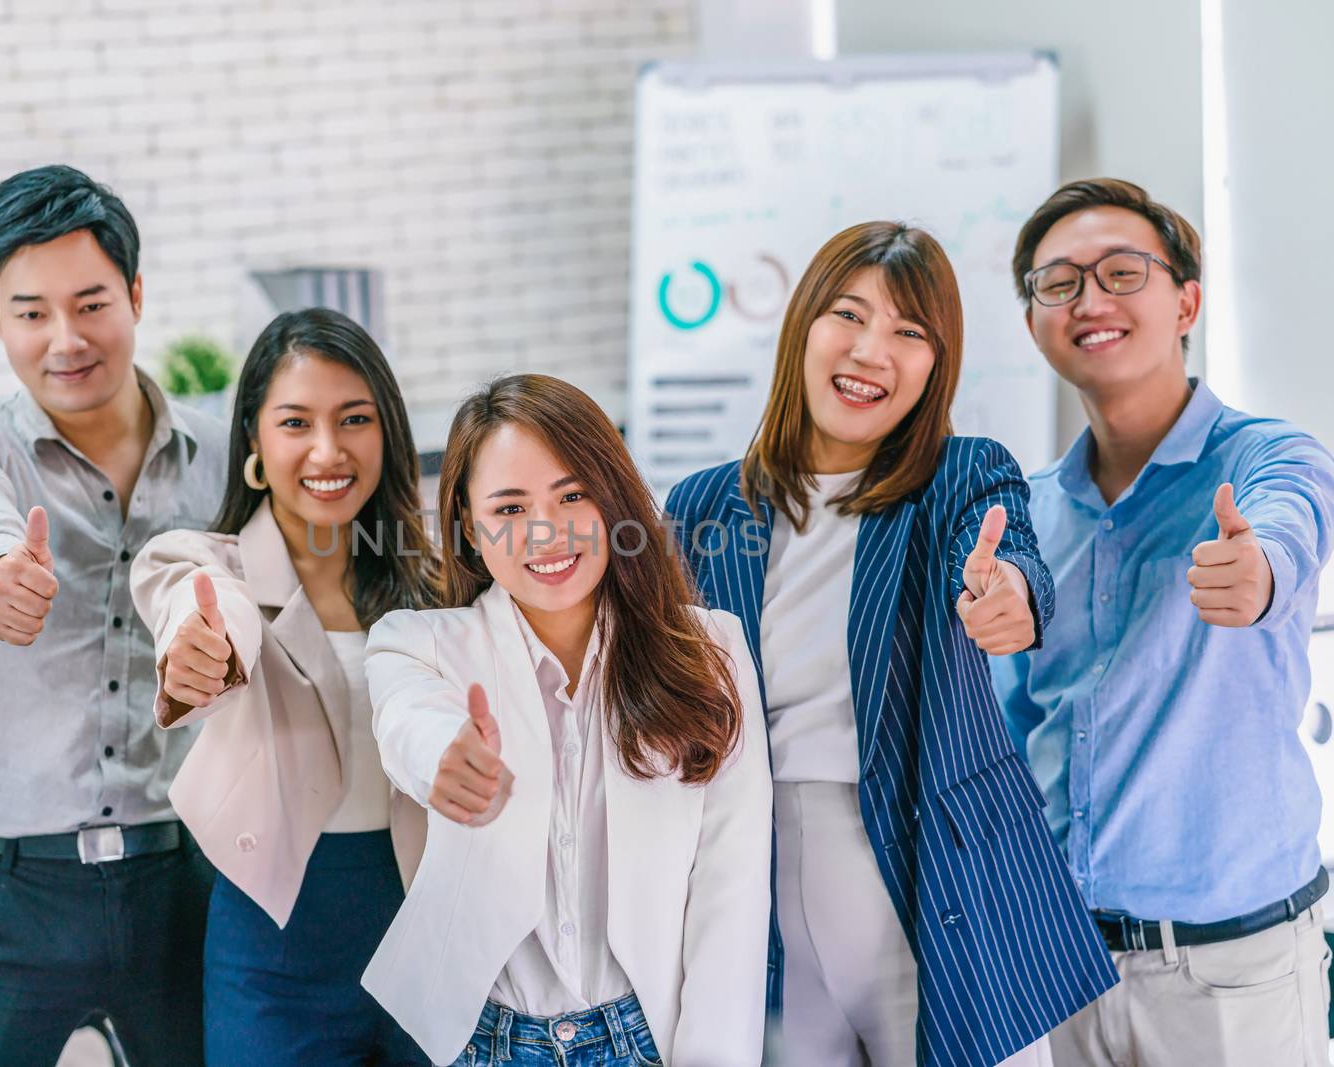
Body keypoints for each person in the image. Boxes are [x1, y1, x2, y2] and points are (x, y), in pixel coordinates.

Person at [667, 221, 1117, 1067]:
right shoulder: (700, 507)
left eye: (910, 332)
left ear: (935, 366)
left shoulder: (958, 478)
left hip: (937, 884)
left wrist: (1007, 596)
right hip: (759, 887)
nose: (874, 350)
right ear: (803, 324)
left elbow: (1008, 558)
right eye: (849, 314)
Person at [0, 164, 226, 1065]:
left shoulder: (220, 455)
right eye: (30, 312)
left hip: (179, 874)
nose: (64, 339)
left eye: (90, 303)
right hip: (4, 893)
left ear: (137, 294)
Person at [992, 178, 1334, 1066]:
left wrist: (1257, 572)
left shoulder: (1266, 455)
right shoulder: (1024, 515)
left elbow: (1291, 524)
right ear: (1033, 322)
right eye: (1057, 283)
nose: (1089, 299)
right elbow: (1019, 739)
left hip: (1229, 973)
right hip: (1062, 968)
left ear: (1186, 300)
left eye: (1120, 271)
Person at [360, 374, 772, 1066]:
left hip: (650, 1040)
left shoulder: (711, 649)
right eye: (510, 507)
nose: (545, 531)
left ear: (613, 497)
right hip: (488, 1044)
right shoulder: (417, 642)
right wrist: (444, 756)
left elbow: (731, 891)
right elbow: (407, 720)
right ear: (467, 524)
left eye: (572, 494)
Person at [131, 307, 437, 1065]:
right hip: (275, 957)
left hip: (427, 936)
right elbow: (194, 606)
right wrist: (200, 652)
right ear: (255, 447)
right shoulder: (208, 565)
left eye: (354, 419)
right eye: (296, 422)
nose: (327, 450)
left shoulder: (437, 583)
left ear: (387, 435)